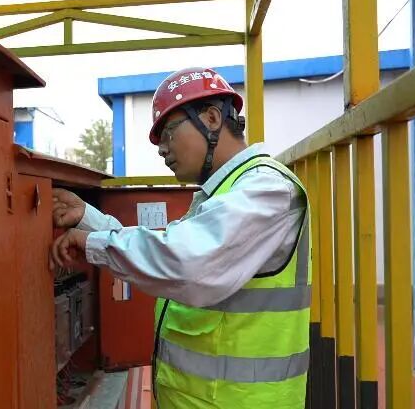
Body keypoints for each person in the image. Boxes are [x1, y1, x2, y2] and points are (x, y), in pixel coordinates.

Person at [51, 67, 311, 409]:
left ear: (212, 118)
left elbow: (184, 260)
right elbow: (172, 244)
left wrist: (91, 243)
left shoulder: (266, 189)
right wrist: (88, 217)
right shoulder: (223, 193)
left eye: (169, 133)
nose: (162, 150)